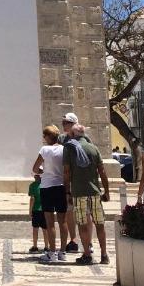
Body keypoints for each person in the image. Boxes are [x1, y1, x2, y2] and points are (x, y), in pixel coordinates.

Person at [63, 123, 110, 265]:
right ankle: (104, 255)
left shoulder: (69, 148)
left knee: (83, 225)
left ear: (73, 134)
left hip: (79, 192)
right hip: (95, 192)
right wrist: (106, 191)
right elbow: (102, 171)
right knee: (100, 224)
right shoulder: (94, 148)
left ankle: (87, 255)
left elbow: (66, 172)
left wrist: (67, 191)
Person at [32, 124, 68, 264]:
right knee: (62, 221)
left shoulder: (44, 150)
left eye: (44, 136)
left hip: (47, 187)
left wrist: (44, 172)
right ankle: (63, 251)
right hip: (60, 186)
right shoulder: (64, 150)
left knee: (50, 221)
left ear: (47, 136)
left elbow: (35, 168)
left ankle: (52, 252)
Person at [57, 112, 88, 252]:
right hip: (68, 181)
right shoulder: (62, 139)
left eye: (66, 122)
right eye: (63, 122)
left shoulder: (85, 139)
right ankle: (73, 240)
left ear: (74, 123)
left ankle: (89, 242)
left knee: (87, 212)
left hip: (81, 180)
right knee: (70, 211)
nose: (64, 124)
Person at [28, 173, 47, 253]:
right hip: (45, 210)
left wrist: (30, 210)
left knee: (35, 229)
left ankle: (35, 246)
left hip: (36, 210)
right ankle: (47, 246)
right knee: (45, 229)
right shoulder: (46, 185)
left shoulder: (32, 185)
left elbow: (32, 199)